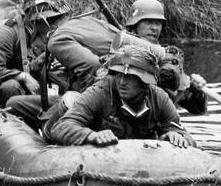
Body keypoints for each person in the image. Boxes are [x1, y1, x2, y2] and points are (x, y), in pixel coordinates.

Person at [45, 45, 195, 148]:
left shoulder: (158, 97)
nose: (122, 82)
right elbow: (61, 127)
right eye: (118, 75)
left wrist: (174, 136)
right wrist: (91, 135)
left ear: (144, 81)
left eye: (130, 77)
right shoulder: (101, 91)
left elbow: (185, 135)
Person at [0, 0, 70, 115]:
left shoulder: (45, 32)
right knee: (10, 87)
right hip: (5, 88)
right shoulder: (8, 33)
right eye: (52, 19)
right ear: (35, 18)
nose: (56, 23)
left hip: (34, 82)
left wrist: (40, 63)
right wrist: (23, 76)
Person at [124, 0, 208, 114]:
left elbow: (198, 109)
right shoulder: (119, 54)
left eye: (158, 23)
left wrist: (196, 89)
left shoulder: (168, 61)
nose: (154, 27)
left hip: (157, 124)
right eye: (148, 22)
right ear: (134, 26)